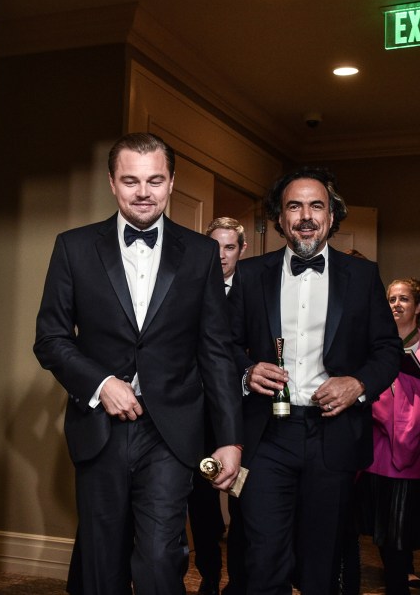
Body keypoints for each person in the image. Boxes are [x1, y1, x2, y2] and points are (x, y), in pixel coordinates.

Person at [34, 132, 242, 595]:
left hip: (172, 431)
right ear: (112, 183)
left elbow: (216, 351)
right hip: (98, 428)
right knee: (101, 560)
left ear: (171, 183)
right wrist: (100, 382)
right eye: (131, 181)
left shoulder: (202, 253)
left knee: (160, 554)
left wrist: (229, 439)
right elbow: (49, 339)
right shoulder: (73, 247)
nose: (143, 192)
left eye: (154, 180)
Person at [229, 166, 401, 594]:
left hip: (333, 435)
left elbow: (387, 350)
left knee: (321, 563)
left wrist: (358, 385)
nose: (305, 215)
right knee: (263, 555)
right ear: (281, 217)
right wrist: (247, 371)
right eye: (294, 205)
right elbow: (220, 345)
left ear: (331, 215)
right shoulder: (251, 276)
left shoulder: (362, 276)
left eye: (316, 205)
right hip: (267, 435)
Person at [359, 278, 420, 595]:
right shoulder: (376, 345)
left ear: (418, 307)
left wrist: (384, 396)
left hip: (413, 449)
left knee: (400, 528)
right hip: (376, 446)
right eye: (392, 299)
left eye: (404, 299)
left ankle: (399, 582)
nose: (396, 304)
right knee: (379, 527)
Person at [187, 217, 248, 595]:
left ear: (242, 250)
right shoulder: (188, 286)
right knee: (202, 504)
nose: (221, 255)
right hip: (195, 414)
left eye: (229, 247)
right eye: (215, 247)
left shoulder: (253, 290)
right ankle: (208, 578)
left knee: (244, 503)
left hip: (242, 413)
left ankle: (239, 582)